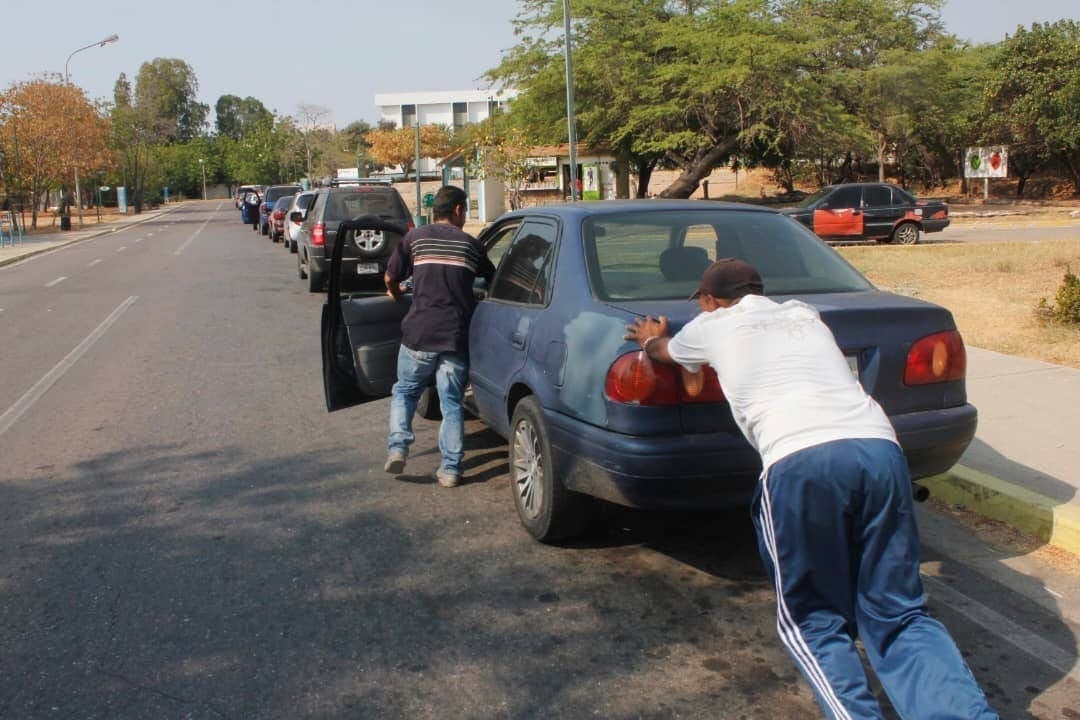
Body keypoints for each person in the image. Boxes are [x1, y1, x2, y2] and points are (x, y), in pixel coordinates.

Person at [624, 258, 997, 720]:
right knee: (900, 611)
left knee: (814, 620)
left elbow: (665, 351)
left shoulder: (711, 326)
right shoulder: (803, 313)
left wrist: (651, 337)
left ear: (709, 301)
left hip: (799, 461)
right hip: (878, 449)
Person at [383, 185, 495, 487]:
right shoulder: (471, 246)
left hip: (419, 333)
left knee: (405, 391)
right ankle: (449, 469)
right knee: (452, 403)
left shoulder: (414, 238)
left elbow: (391, 277)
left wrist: (395, 294)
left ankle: (398, 447)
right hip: (456, 336)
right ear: (458, 210)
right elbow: (491, 279)